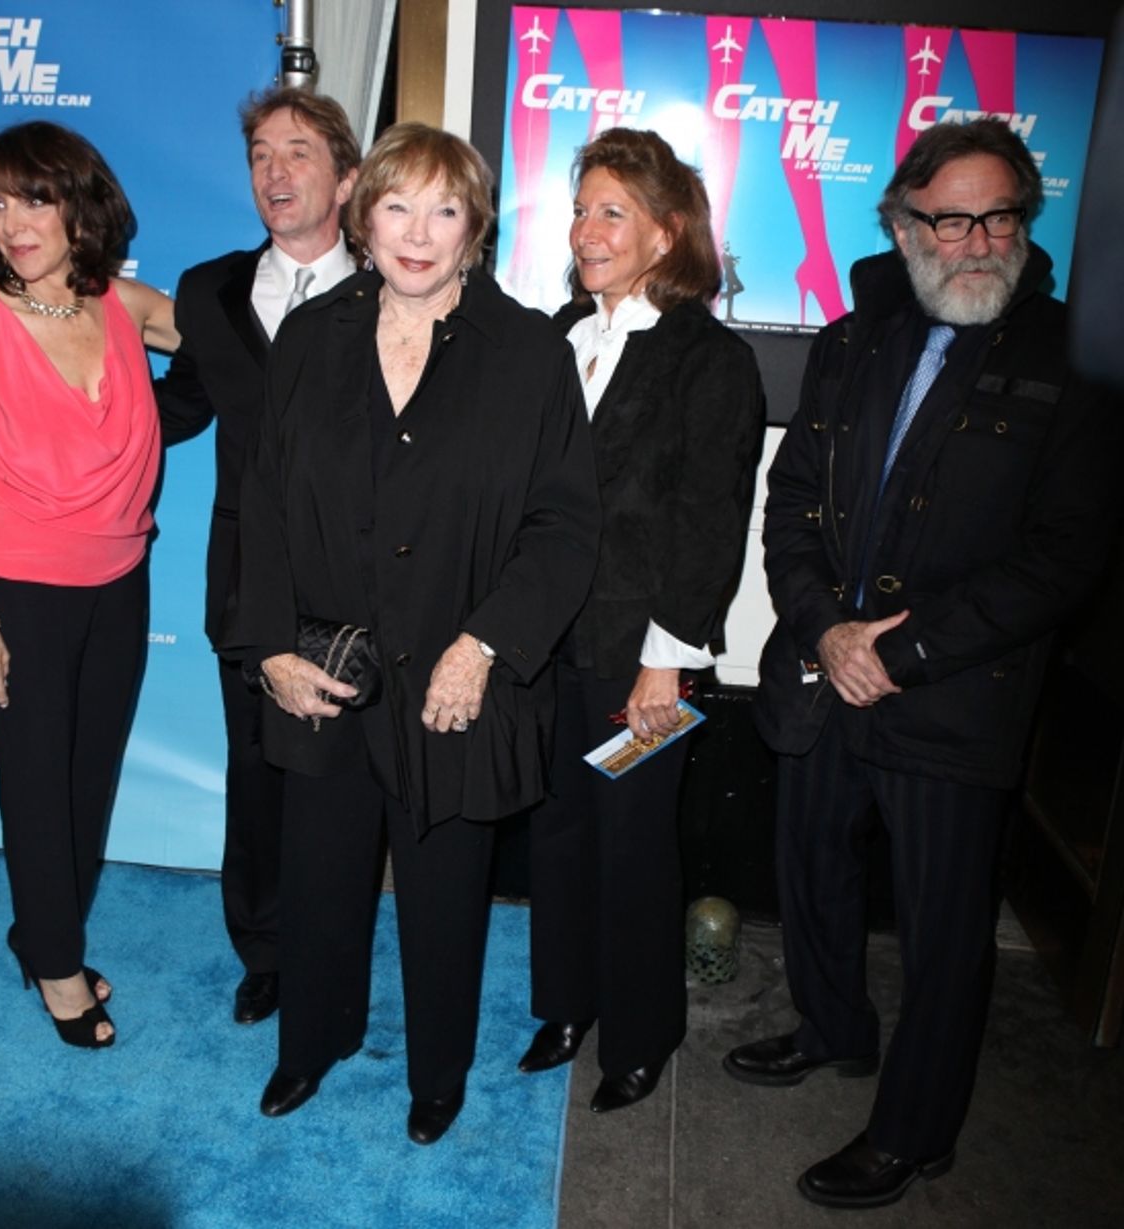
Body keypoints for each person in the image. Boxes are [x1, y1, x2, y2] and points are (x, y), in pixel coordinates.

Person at [726, 119, 1122, 1208]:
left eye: (1001, 215)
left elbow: (1063, 557)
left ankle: (915, 1128)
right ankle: (830, 1026)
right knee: (811, 865)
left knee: (947, 929)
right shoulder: (855, 342)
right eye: (951, 218)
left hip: (954, 696)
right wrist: (822, 631)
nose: (979, 240)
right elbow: (793, 500)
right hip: (823, 673)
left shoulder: (1071, 361)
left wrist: (901, 649)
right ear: (904, 225)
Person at [222, 122, 600, 1143]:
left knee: (443, 895)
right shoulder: (310, 337)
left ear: (475, 227)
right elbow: (260, 501)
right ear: (363, 213)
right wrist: (271, 651)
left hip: (454, 675)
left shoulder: (527, 352)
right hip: (328, 666)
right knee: (321, 876)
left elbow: (564, 526)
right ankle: (314, 1041)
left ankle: (438, 1072)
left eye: (444, 210)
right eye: (397, 206)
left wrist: (483, 647)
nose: (418, 233)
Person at [518, 128, 764, 1112]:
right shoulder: (557, 338)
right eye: (581, 208)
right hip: (548, 649)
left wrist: (667, 664)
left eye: (611, 210)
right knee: (558, 834)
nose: (586, 228)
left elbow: (709, 525)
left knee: (633, 848)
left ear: (666, 234)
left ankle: (641, 1032)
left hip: (643, 661)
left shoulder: (711, 362)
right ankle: (567, 1003)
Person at [0, 120, 177, 1048]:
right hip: (23, 590)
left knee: (87, 781)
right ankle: (58, 968)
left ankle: (41, 931)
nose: (13, 222)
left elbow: (238, 347)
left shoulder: (125, 305)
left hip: (123, 581)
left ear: (81, 205)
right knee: (35, 788)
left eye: (33, 198)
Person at [154, 87, 361, 1026]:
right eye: (261, 157)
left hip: (368, 578)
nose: (276, 173)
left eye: (299, 152)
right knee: (258, 774)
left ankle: (339, 944)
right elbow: (176, 408)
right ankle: (267, 949)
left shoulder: (396, 284)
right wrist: (53, 402)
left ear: (347, 177)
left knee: (353, 782)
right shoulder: (207, 291)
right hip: (246, 580)